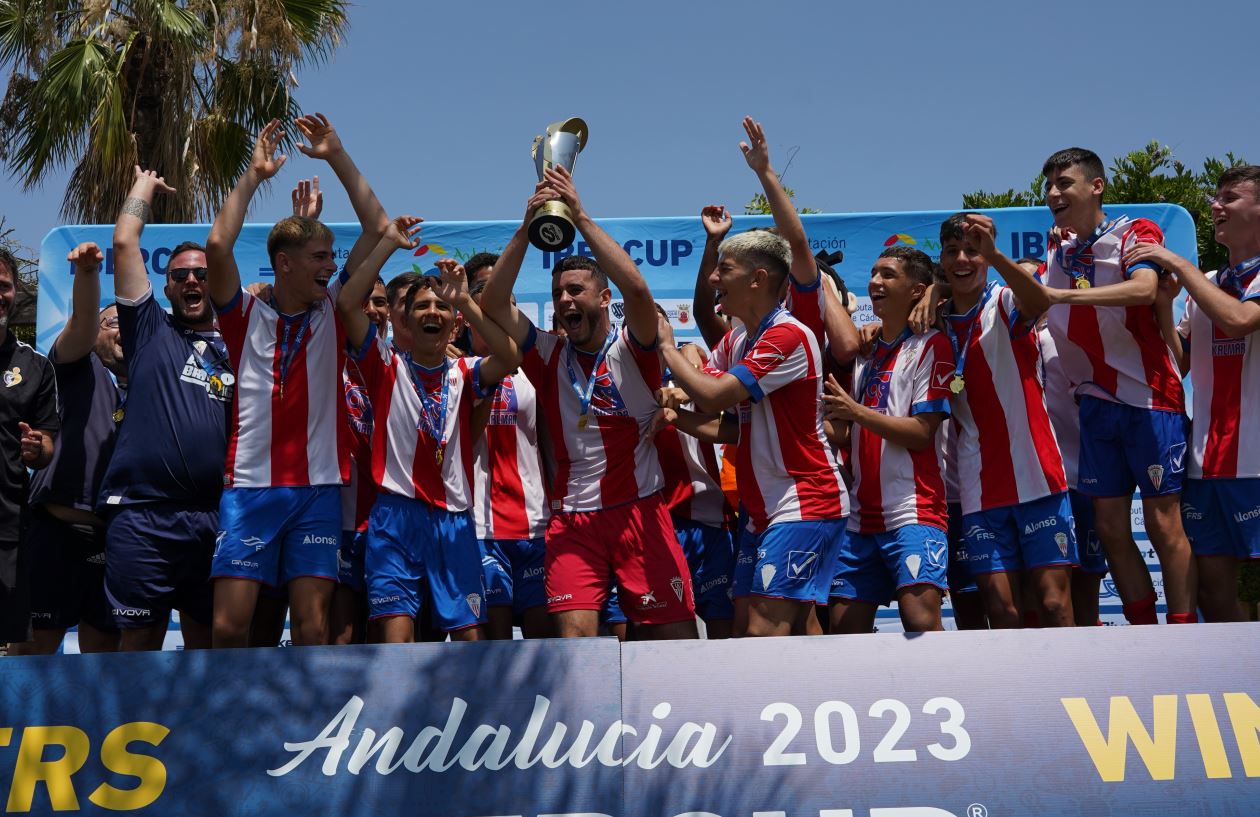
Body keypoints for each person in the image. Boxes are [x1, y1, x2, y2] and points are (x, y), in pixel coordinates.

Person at [482, 167, 698, 639]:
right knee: (575, 650)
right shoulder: (546, 353)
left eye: (575, 291)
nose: (564, 300)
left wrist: (578, 217)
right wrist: (525, 227)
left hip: (640, 511)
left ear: (603, 298)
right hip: (573, 522)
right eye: (559, 294)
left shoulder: (632, 348)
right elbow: (493, 303)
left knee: (675, 644)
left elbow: (638, 291)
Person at [205, 114, 390, 647]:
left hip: (318, 490)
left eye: (333, 257)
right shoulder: (242, 316)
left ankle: (309, 730)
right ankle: (229, 727)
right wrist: (254, 176)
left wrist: (335, 154)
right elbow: (218, 246)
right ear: (283, 265)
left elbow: (378, 229)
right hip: (250, 488)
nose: (330, 266)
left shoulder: (333, 309)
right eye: (320, 258)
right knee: (228, 626)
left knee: (313, 627)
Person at [660, 118, 849, 637]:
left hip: (805, 498)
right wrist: (676, 410)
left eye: (725, 269)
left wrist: (664, 346)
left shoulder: (788, 332)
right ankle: (830, 711)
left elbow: (715, 392)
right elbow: (730, 423)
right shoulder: (741, 336)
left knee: (762, 634)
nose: (715, 279)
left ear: (760, 279)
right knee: (768, 627)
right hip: (763, 507)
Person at [338, 221, 520, 643]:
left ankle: (471, 713)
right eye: (421, 307)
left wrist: (466, 302)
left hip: (452, 521)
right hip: (394, 519)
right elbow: (348, 304)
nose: (432, 313)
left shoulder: (465, 371)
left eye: (441, 307)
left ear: (453, 326)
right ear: (406, 318)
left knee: (471, 642)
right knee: (397, 641)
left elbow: (510, 356)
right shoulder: (385, 366)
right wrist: (386, 246)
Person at [1036, 147, 1196, 625]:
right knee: (1109, 528)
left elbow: (1146, 289)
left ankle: (1185, 632)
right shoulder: (1058, 246)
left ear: (1096, 186)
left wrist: (1059, 294)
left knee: (1163, 523)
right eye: (1048, 186)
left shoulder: (1134, 231)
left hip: (1148, 397)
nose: (1053, 193)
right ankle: (1143, 631)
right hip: (1095, 403)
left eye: (1064, 183)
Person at [98, 168, 226, 650]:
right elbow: (125, 242)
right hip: (143, 517)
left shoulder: (239, 340)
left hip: (216, 518)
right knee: (139, 648)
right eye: (180, 276)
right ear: (167, 288)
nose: (192, 279)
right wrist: (142, 189)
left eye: (202, 273)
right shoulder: (149, 328)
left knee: (206, 647)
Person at [1125, 165, 1260, 622]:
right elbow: (1176, 361)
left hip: (1256, 461)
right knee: (1213, 591)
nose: (1216, 207)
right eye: (1215, 197)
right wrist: (1165, 305)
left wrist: (1177, 261)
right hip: (1205, 462)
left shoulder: (1210, 281)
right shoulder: (1211, 280)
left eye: (1230, 198)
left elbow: (1239, 321)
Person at [935, 213, 1077, 627]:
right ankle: (1019, 692)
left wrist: (996, 255)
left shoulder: (1004, 299)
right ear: (942, 260)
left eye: (973, 251)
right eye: (952, 251)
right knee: (1002, 610)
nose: (963, 259)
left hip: (1037, 474)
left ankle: (1065, 688)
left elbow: (1039, 301)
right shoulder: (932, 321)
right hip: (978, 486)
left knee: (1053, 604)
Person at [825, 246, 953, 634]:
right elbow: (848, 431)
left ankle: (944, 696)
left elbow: (921, 432)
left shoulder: (933, 345)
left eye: (887, 275)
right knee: (845, 631)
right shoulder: (865, 349)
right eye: (874, 274)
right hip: (861, 516)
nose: (874, 282)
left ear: (917, 291)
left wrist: (856, 412)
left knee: (921, 622)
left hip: (913, 511)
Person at [12, 242, 122, 654]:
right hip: (55, 535)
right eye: (112, 323)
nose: (121, 330)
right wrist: (89, 274)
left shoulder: (149, 379)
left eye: (128, 323)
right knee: (33, 659)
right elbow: (83, 322)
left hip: (114, 541)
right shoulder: (75, 364)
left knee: (106, 667)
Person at [466, 281, 552, 640]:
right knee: (496, 650)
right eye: (487, 311)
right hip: (481, 530)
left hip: (535, 525)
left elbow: (548, 447)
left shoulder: (536, 373)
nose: (500, 317)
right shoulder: (458, 371)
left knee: (543, 647)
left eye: (508, 308)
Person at [0, 245, 58, 648]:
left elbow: (48, 442)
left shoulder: (35, 366)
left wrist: (39, 450)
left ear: (16, 292)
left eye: (3, 285)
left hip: (8, 530)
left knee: (11, 646)